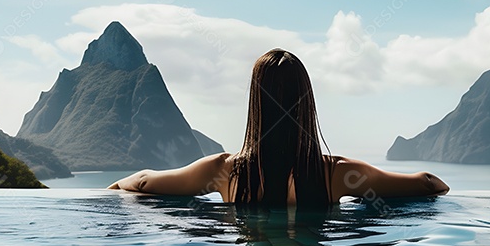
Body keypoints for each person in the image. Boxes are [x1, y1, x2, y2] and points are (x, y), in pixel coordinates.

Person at [109, 49, 449, 205]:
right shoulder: (338, 175)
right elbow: (429, 184)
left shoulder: (224, 172)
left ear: (255, 106)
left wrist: (113, 187)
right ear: (307, 104)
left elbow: (141, 182)